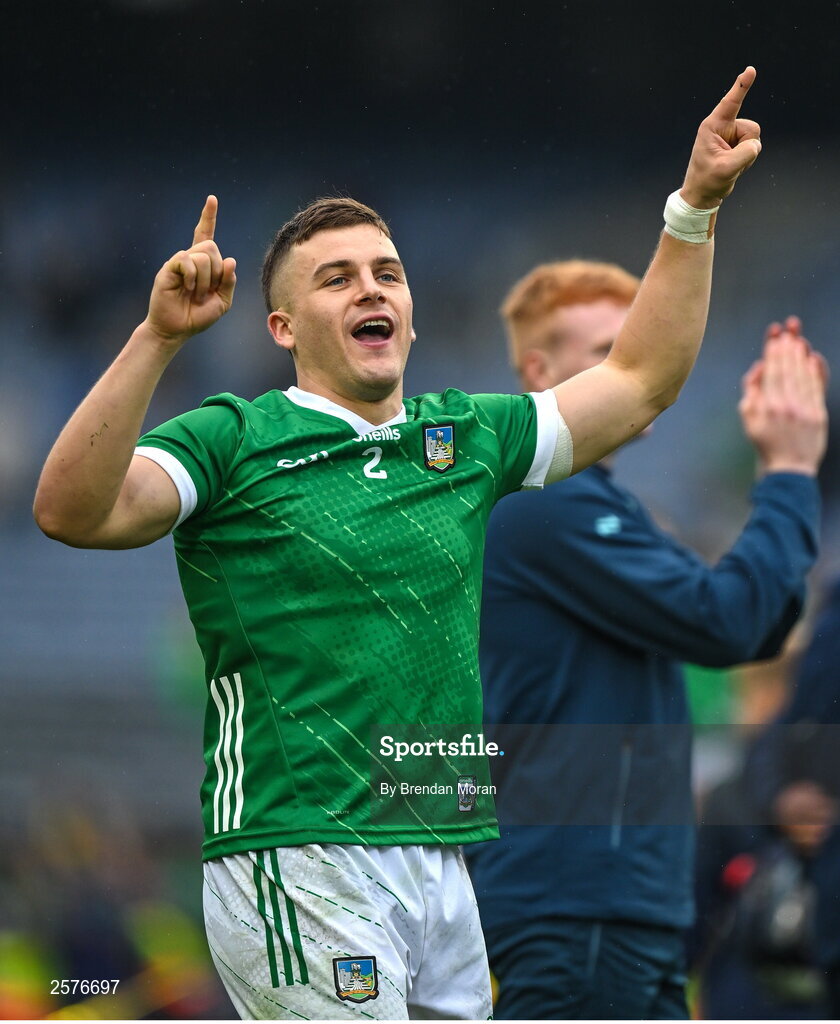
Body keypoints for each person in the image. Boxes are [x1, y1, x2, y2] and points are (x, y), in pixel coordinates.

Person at [34, 68, 762, 1020]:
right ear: (284, 327)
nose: (371, 288)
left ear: (411, 312)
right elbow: (71, 510)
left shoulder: (464, 438)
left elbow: (641, 381)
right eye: (336, 278)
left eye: (388, 273)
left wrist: (694, 207)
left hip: (440, 856)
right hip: (299, 853)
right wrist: (156, 339)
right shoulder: (233, 437)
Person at [465, 257, 828, 1019]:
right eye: (605, 353)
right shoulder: (550, 495)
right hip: (579, 906)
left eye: (637, 350)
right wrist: (791, 471)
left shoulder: (587, 502)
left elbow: (747, 622)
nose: (631, 371)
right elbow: (727, 620)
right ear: (537, 371)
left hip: (606, 907)